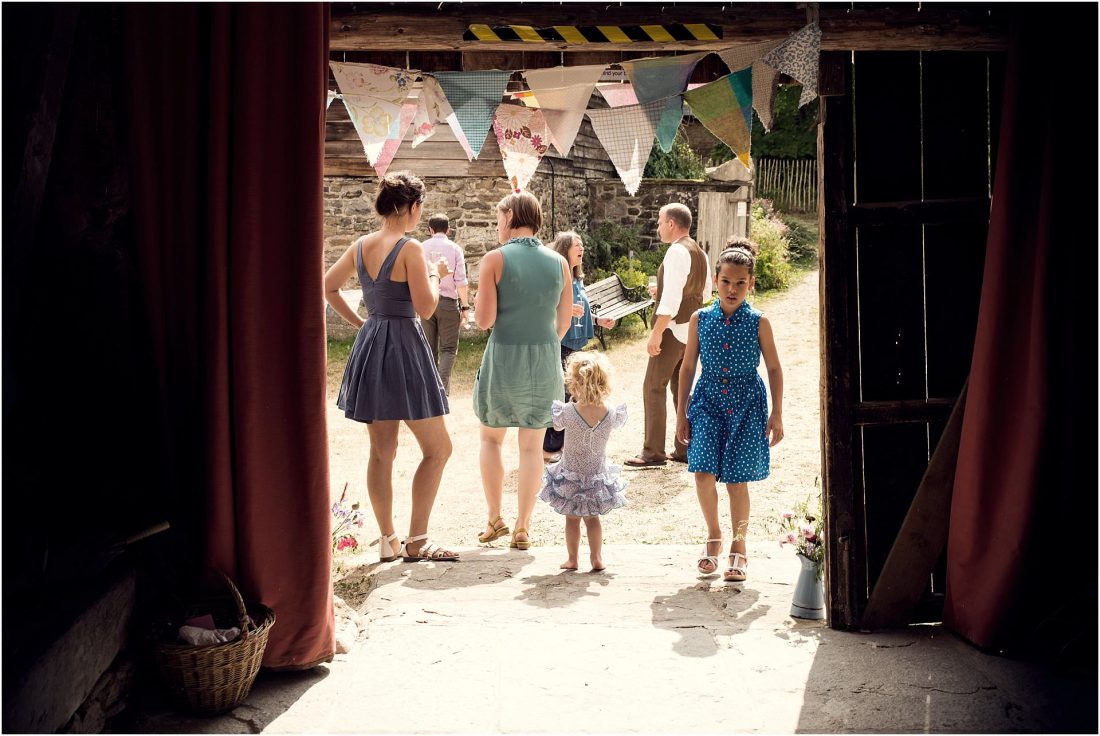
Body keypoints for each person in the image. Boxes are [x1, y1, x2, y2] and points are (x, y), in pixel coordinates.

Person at [323, 171, 460, 563]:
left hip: (372, 345)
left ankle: (388, 540)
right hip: (405, 349)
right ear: (413, 207)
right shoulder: (411, 249)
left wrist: (363, 324)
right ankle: (417, 541)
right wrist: (435, 273)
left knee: (382, 451)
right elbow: (427, 307)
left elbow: (328, 286)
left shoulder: (361, 245)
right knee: (439, 448)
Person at [675, 240, 784, 583]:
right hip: (707, 402)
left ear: (751, 284)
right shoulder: (699, 319)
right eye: (726, 281)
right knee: (702, 472)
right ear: (715, 281)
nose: (732, 289)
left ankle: (740, 545)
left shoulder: (759, 322)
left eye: (740, 283)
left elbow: (775, 368)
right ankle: (714, 535)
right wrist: (680, 413)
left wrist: (777, 413)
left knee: (737, 480)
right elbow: (687, 367)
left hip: (746, 405)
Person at [472, 191, 573, 551]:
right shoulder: (559, 263)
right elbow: (563, 323)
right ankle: (523, 527)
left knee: (491, 439)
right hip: (544, 358)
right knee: (532, 448)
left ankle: (494, 518)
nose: (497, 225)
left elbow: (484, 321)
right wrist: (542, 345)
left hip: (504, 356)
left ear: (511, 216)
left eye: (499, 218)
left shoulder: (494, 259)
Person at [624, 203, 710, 468]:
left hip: (672, 331)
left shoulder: (675, 251)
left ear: (671, 224)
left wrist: (656, 333)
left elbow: (671, 301)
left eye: (660, 222)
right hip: (691, 332)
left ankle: (653, 452)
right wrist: (659, 292)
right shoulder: (700, 252)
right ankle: (685, 449)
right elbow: (705, 293)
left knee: (653, 386)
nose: (658, 227)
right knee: (680, 390)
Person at [538, 352, 628, 572]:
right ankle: (597, 558)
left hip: (570, 474)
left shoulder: (568, 411)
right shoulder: (611, 412)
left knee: (572, 519)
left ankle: (573, 559)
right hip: (596, 474)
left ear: (574, 383)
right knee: (592, 519)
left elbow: (557, 426)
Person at [542, 230, 616, 463]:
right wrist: (563, 310)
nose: (582, 247)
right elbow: (544, 306)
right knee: (562, 395)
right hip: (561, 342)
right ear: (565, 249)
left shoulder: (577, 278)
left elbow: (581, 311)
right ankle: (549, 447)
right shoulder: (555, 276)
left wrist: (598, 320)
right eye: (577, 244)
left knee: (575, 394)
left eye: (582, 244)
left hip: (576, 344)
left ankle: (564, 445)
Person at [420, 213, 473, 395]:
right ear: (448, 230)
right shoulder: (455, 249)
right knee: (448, 349)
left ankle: (430, 391)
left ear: (430, 230)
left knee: (429, 348)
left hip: (427, 302)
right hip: (448, 303)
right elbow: (461, 281)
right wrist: (465, 307)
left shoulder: (421, 248)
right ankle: (441, 391)